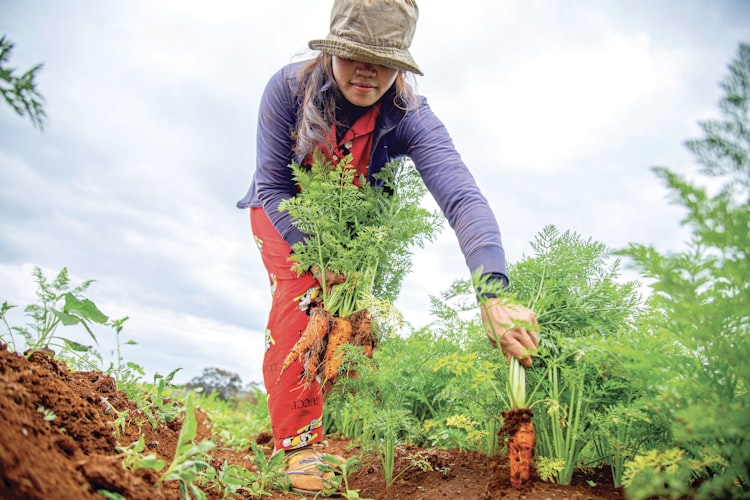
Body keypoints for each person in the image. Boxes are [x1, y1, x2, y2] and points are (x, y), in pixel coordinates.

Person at [236, 0, 539, 494]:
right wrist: (315, 254)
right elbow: (272, 185)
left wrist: (493, 291)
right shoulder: (288, 89)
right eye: (355, 54)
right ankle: (293, 447)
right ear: (333, 48)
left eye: (384, 60)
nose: (368, 71)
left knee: (342, 328)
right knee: (305, 299)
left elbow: (461, 195)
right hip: (283, 213)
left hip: (351, 223)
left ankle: (301, 421)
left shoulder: (409, 114)